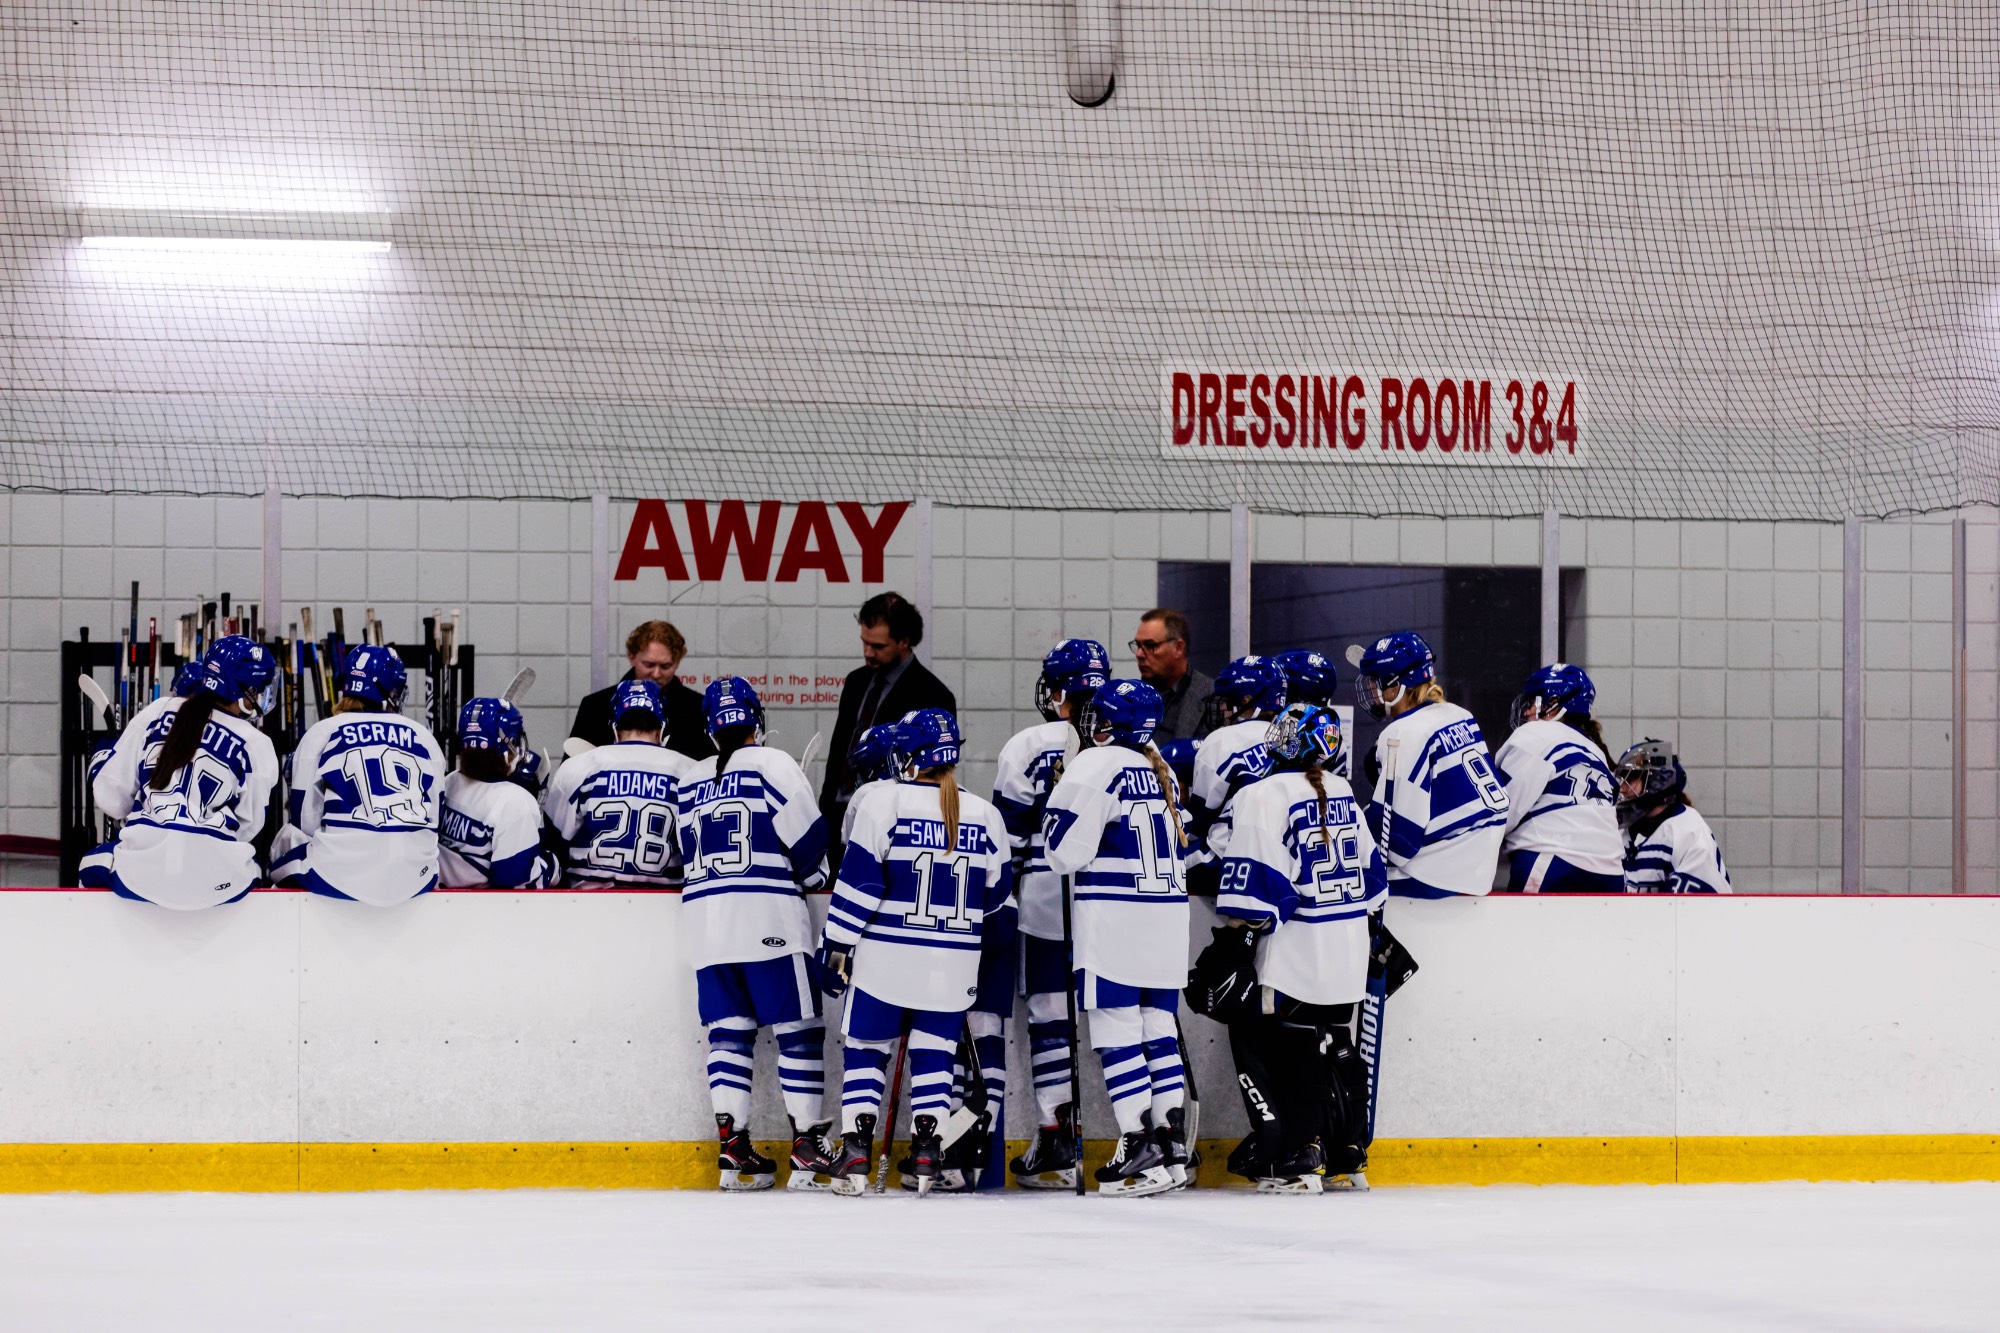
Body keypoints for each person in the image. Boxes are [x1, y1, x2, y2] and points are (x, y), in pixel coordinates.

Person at [814, 709, 1014, 1196]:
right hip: (953, 964)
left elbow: (858, 885)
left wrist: (835, 947)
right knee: (934, 1054)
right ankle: (927, 1152)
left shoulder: (884, 802)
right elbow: (997, 903)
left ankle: (857, 1150)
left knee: (865, 1050)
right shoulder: (987, 815)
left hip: (886, 958)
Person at [1200, 702, 1384, 1192]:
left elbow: (1256, 891)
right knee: (1333, 1043)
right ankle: (1349, 1150)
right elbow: (1375, 882)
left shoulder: (1264, 793)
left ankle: (1300, 1151)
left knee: (1272, 1040)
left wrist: (1236, 943)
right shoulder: (1343, 789)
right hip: (1346, 951)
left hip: (1295, 951)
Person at [675, 676, 838, 1191]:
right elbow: (811, 842)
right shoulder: (774, 763)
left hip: (705, 925)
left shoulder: (689, 780)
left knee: (728, 1032)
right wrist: (814, 880)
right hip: (768, 918)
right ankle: (808, 1150)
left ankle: (733, 1152)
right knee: (798, 1031)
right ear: (757, 722)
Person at [1042, 679, 1192, 1197]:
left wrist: (1058, 797)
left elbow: (1061, 851)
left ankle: (1136, 1143)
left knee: (1116, 1035)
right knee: (1158, 1030)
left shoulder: (1095, 764)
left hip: (1116, 921)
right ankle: (1170, 1147)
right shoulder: (1162, 769)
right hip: (1168, 922)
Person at [991, 638, 1110, 1189]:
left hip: (1044, 903)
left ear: (1058, 691)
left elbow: (1008, 839)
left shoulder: (1028, 745)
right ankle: (1157, 1136)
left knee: (1050, 1022)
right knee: (1129, 1022)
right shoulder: (1131, 746)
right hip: (1117, 907)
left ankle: (1057, 1134)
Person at [81, 635, 280, 910]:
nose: (262, 695)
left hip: (141, 876)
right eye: (258, 688)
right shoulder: (258, 743)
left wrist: (101, 760)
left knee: (89, 864)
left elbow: (113, 801)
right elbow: (248, 827)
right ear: (240, 690)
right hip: (217, 885)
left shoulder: (158, 710)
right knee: (256, 869)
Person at [271, 644, 447, 905]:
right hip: (417, 877)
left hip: (338, 876)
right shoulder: (424, 736)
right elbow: (435, 819)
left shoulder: (322, 732)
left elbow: (304, 821)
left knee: (283, 845)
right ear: (392, 690)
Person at [1348, 632, 1508, 898]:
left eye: (1376, 683)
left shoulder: (1403, 732)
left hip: (1435, 877)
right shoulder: (1460, 715)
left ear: (1394, 685)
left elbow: (1396, 843)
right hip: (1478, 871)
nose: (1372, 692)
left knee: (1338, 884)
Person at [818, 592, 957, 851]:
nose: (868, 653)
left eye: (878, 647)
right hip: (837, 818)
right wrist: (825, 810)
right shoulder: (856, 681)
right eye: (864, 643)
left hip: (890, 826)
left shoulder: (933, 696)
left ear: (905, 641)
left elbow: (936, 776)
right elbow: (838, 751)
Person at [545, 679, 700, 888]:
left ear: (614, 727)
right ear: (661, 728)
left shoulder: (578, 767)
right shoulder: (689, 772)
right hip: (665, 907)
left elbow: (554, 844)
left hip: (585, 906)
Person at [1492, 664, 1625, 894]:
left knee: (1522, 931)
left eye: (1533, 703)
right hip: (1612, 872)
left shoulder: (1534, 734)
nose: (1526, 712)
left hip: (1554, 861)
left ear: (1553, 706)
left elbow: (1499, 812)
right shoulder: (1596, 752)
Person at [437, 697, 561, 889]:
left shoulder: (449, 781)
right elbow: (516, 884)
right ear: (508, 744)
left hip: (436, 906)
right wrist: (552, 864)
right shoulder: (514, 802)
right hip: (481, 913)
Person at [1186, 655, 1286, 885]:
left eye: (1227, 700)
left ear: (1248, 699)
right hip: (1283, 862)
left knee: (1168, 864)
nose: (1221, 707)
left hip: (1227, 861)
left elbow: (1197, 822)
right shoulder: (1295, 740)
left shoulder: (1222, 741)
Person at [568, 620, 714, 760]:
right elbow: (571, 772)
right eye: (649, 665)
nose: (656, 674)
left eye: (665, 666)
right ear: (632, 658)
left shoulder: (699, 707)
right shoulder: (595, 706)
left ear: (676, 663)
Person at [1615, 739, 1732, 894]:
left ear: (1656, 780)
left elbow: (1689, 908)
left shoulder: (1687, 830)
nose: (1622, 788)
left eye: (1630, 779)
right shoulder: (1625, 831)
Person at [1130, 608, 1213, 744]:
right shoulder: (1131, 699)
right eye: (1138, 645)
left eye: (1150, 645)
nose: (1139, 654)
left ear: (1178, 648)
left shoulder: (1213, 698)